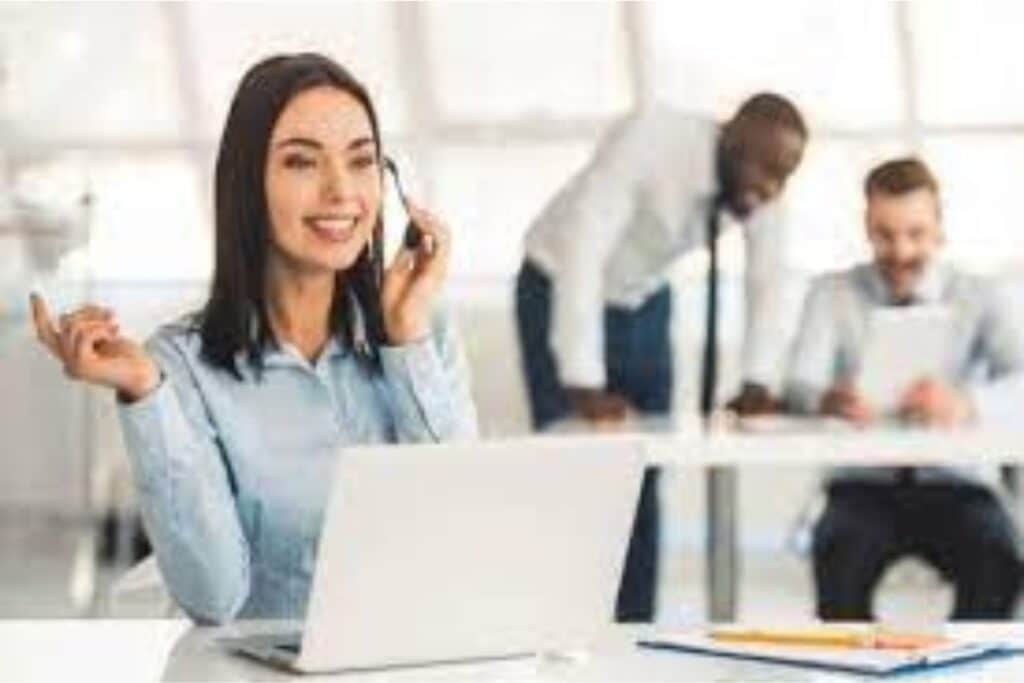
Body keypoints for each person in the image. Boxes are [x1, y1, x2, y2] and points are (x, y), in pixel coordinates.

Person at [30, 53, 477, 624]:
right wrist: (146, 394)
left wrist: (406, 344)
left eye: (361, 161)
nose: (341, 190)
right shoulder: (179, 365)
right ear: (248, 183)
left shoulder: (424, 332)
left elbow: (459, 537)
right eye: (301, 163)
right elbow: (214, 598)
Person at [516, 93, 807, 620]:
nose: (769, 187)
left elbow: (770, 281)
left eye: (782, 176)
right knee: (571, 465)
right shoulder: (653, 138)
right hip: (556, 281)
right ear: (728, 137)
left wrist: (759, 380)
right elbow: (585, 244)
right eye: (761, 169)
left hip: (644, 296)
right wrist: (581, 377)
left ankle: (632, 632)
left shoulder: (764, 189)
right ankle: (560, 627)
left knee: (644, 466)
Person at [786, 157, 1023, 620]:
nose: (900, 251)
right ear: (866, 226)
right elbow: (800, 383)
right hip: (861, 486)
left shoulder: (981, 294)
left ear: (939, 227)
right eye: (884, 234)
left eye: (915, 233)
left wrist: (966, 403)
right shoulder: (830, 293)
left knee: (998, 561)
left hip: (957, 483)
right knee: (839, 563)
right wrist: (828, 399)